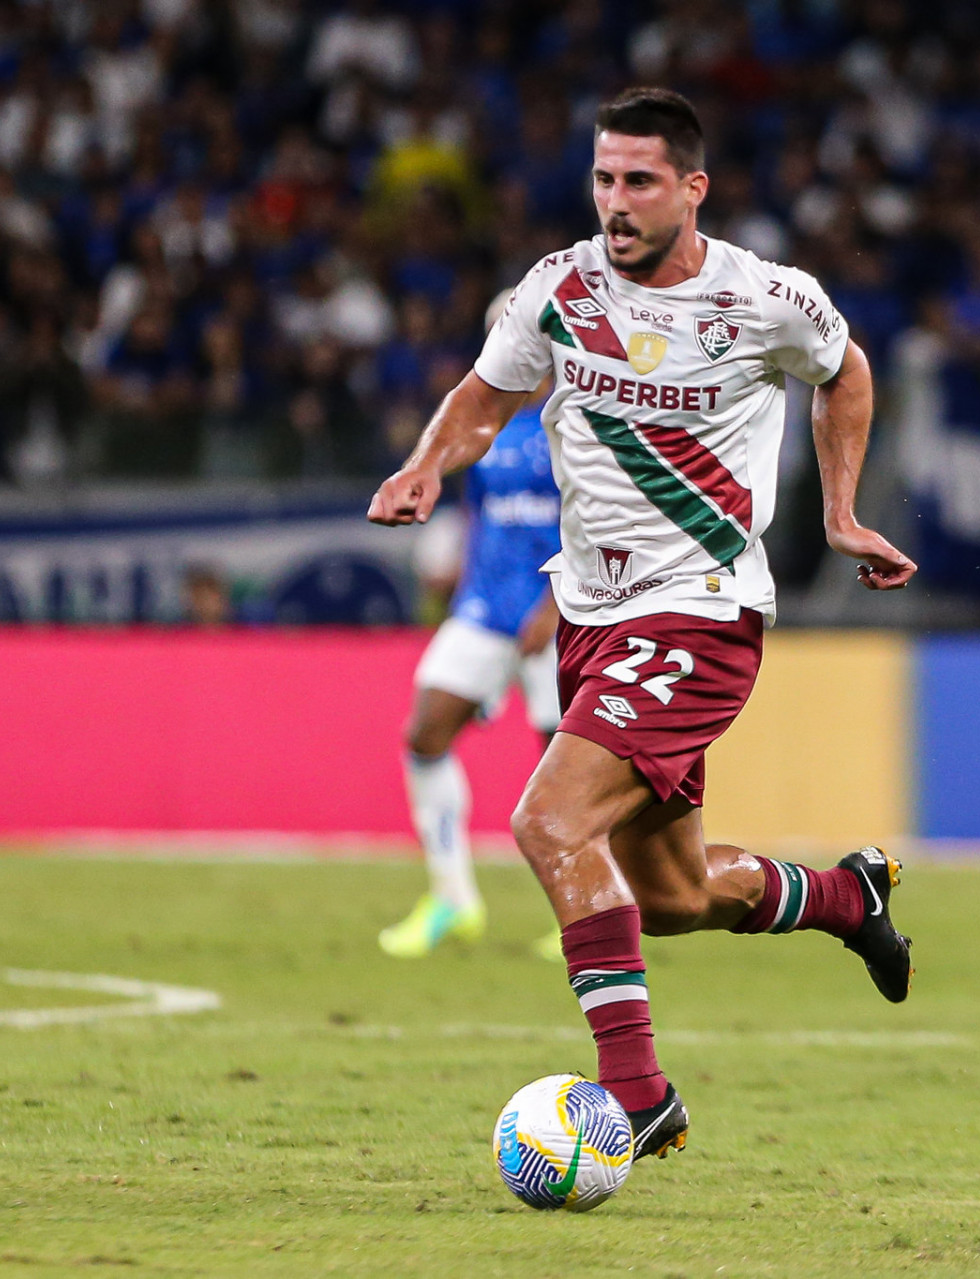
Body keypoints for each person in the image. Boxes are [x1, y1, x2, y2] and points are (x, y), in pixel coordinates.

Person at [369, 88, 918, 1160]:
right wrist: (428, 463)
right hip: (590, 615)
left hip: (700, 613)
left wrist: (843, 511)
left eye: (640, 182)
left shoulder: (763, 298)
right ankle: (848, 898)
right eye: (603, 180)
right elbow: (485, 393)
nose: (615, 203)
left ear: (692, 189)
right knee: (666, 894)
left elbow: (845, 371)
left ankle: (641, 1094)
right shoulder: (558, 291)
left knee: (547, 822)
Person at [378, 289, 565, 961]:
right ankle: (453, 897)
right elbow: (482, 519)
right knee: (424, 731)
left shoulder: (578, 422)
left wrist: (558, 606)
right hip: (484, 611)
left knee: (568, 773)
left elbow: (602, 526)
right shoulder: (481, 426)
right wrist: (454, 584)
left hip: (558, 618)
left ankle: (586, 911)